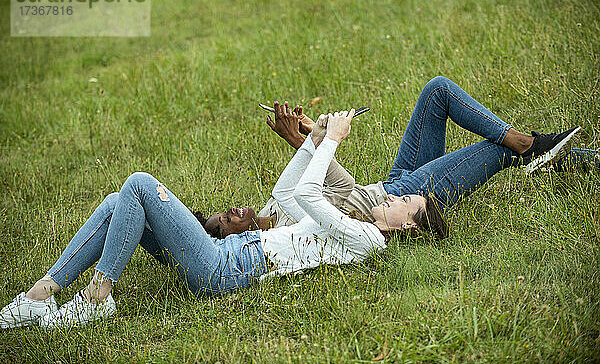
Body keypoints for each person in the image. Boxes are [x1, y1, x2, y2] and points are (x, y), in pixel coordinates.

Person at [1, 109, 407, 329]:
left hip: (226, 268)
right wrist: (315, 139)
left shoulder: (369, 240)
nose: (395, 194)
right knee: (115, 201)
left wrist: (333, 141)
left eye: (407, 200)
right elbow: (291, 192)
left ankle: (96, 298)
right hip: (223, 251)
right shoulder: (343, 224)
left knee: (140, 184)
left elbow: (307, 193)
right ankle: (40, 296)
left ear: (408, 224)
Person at [202, 76, 587, 240]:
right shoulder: (291, 226)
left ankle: (538, 150)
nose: (231, 210)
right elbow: (339, 188)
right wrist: (311, 143)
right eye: (226, 221)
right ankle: (532, 146)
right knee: (497, 151)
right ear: (234, 238)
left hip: (392, 183)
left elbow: (336, 183)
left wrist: (309, 137)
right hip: (407, 197)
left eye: (223, 210)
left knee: (437, 91)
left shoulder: (274, 201)